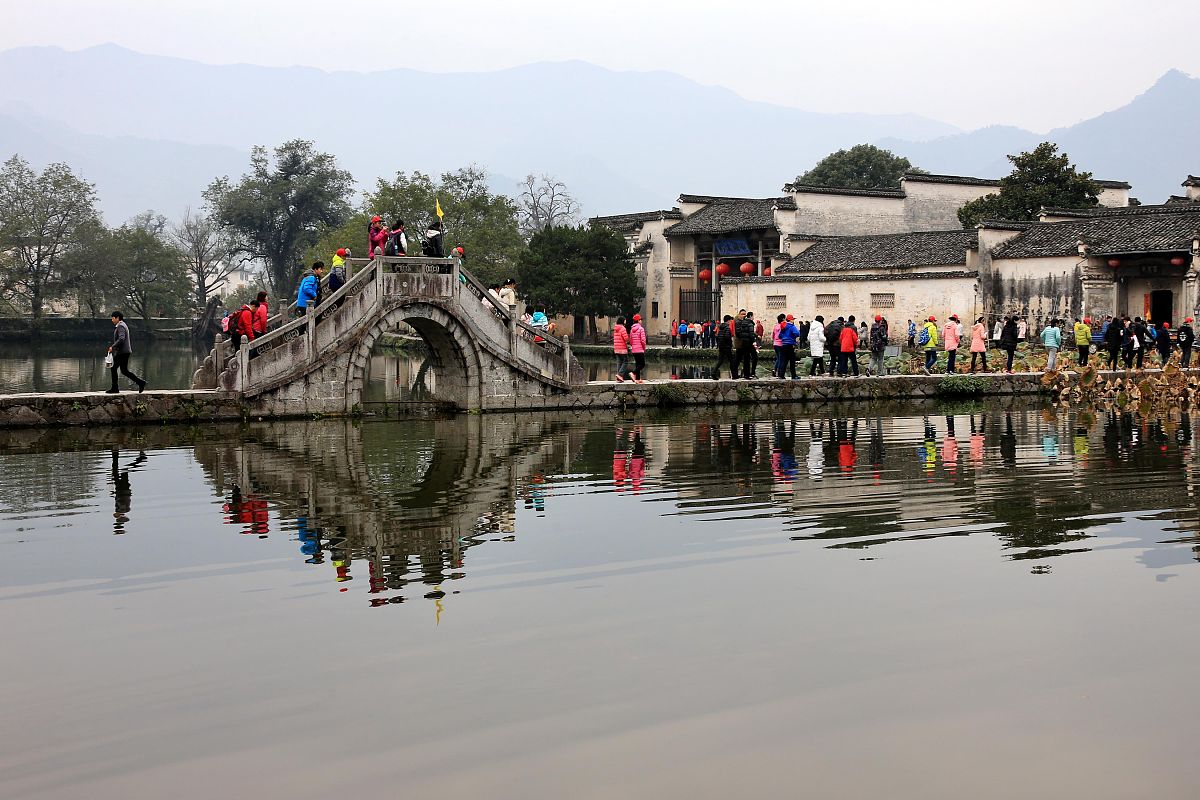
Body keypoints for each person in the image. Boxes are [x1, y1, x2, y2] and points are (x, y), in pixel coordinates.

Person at [106, 310, 145, 394]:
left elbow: (121, 338)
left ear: (117, 318)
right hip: (124, 351)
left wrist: (113, 347)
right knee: (124, 371)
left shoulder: (120, 326)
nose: (112, 320)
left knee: (113, 368)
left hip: (122, 352)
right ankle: (141, 382)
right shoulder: (122, 325)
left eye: (113, 318)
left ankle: (115, 388)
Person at [735, 311, 757, 379]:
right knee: (749, 358)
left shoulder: (743, 322)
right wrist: (754, 341)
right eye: (753, 316)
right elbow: (751, 333)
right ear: (750, 316)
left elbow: (742, 332)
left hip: (744, 342)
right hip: (748, 342)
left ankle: (746, 374)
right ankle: (748, 374)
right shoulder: (749, 323)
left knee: (745, 358)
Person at [777, 314, 801, 379]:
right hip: (790, 345)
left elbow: (779, 336)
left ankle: (781, 375)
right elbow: (797, 333)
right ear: (790, 320)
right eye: (793, 319)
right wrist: (792, 336)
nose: (793, 320)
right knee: (792, 361)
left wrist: (785, 338)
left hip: (783, 345)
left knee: (784, 361)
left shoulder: (783, 327)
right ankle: (793, 375)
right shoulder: (792, 326)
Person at [713, 314, 736, 379]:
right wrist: (730, 344)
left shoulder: (721, 327)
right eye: (730, 321)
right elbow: (727, 337)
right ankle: (734, 375)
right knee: (731, 361)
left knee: (720, 360)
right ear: (728, 320)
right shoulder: (727, 328)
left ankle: (713, 373)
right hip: (727, 346)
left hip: (721, 346)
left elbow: (718, 336)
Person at [612, 316, 631, 382]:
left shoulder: (616, 328)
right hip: (622, 348)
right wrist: (629, 339)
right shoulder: (622, 328)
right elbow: (625, 338)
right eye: (625, 320)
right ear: (622, 321)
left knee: (619, 362)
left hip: (616, 348)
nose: (626, 321)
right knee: (625, 361)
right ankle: (620, 374)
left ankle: (618, 378)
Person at [630, 313, 648, 382]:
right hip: (640, 349)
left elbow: (631, 340)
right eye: (640, 320)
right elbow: (643, 340)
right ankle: (633, 373)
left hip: (634, 350)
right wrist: (644, 348)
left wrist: (633, 346)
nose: (641, 321)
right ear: (638, 320)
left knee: (638, 364)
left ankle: (637, 379)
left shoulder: (632, 329)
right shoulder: (641, 329)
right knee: (642, 364)